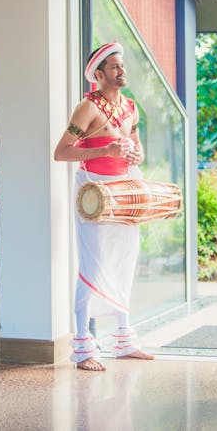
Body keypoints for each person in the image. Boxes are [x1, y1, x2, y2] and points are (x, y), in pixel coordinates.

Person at [54, 42, 155, 371]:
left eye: (122, 65)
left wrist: (137, 155)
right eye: (114, 67)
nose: (121, 71)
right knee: (93, 265)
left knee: (126, 261)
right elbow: (62, 152)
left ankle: (124, 339)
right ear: (98, 74)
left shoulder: (131, 107)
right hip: (93, 192)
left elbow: (136, 146)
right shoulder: (87, 107)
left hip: (124, 189)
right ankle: (84, 348)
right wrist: (104, 152)